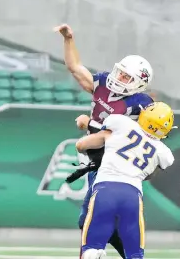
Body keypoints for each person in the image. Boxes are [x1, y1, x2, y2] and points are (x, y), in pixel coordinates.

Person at [54, 24, 154, 258]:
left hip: (117, 166)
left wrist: (90, 125)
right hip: (98, 162)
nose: (118, 78)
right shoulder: (102, 86)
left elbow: (130, 136)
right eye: (119, 72)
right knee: (100, 222)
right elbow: (75, 67)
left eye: (126, 76)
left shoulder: (141, 104)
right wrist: (69, 39)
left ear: (139, 82)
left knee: (91, 219)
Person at [75, 102, 175, 259]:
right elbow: (149, 174)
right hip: (132, 194)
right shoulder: (163, 152)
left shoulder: (120, 122)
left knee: (91, 248)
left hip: (105, 188)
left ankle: (95, 253)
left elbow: (82, 145)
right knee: (135, 253)